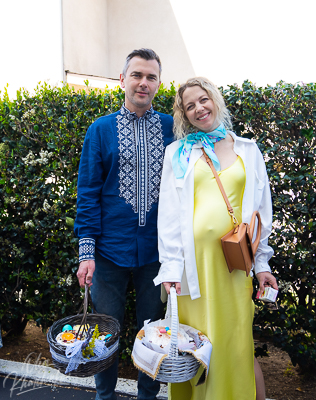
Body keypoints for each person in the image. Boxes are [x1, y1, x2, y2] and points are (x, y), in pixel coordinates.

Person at [153, 77, 278, 400]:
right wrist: (169, 269)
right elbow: (167, 215)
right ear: (184, 116)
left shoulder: (248, 151)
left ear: (215, 100)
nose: (199, 109)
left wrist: (262, 263)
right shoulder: (177, 153)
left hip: (233, 268)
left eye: (203, 100)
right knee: (195, 345)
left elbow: (261, 214)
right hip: (191, 271)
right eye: (189, 106)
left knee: (234, 342)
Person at [74, 48, 174, 400]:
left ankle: (148, 395)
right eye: (137, 75)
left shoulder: (171, 129)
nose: (143, 83)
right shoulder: (100, 130)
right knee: (105, 334)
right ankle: (105, 396)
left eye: (151, 77)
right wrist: (86, 253)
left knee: (154, 334)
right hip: (108, 254)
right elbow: (87, 193)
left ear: (159, 84)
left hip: (156, 254)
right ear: (122, 79)